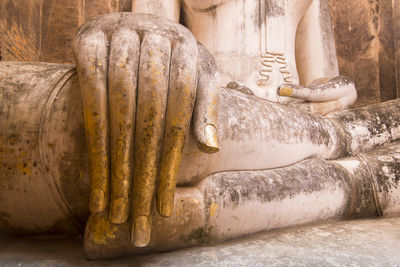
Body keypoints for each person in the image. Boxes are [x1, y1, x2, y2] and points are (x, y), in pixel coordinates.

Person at [3, 0, 397, 260]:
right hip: (213, 104)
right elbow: (150, 43)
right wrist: (139, 30)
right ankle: (349, 161)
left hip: (295, 112)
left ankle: (341, 163)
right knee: (187, 127)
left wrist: (338, 89)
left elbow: (323, 76)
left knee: (336, 141)